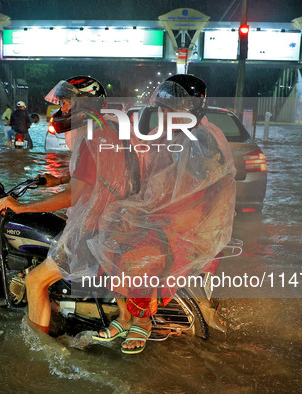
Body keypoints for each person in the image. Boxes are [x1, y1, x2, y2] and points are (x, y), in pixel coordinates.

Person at [91, 75, 237, 354]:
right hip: (163, 215)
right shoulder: (173, 136)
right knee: (110, 229)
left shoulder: (203, 139)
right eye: (162, 110)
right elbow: (156, 183)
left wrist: (162, 219)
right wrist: (134, 211)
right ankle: (124, 316)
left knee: (138, 255)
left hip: (189, 224)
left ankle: (143, 321)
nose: (163, 115)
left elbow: (207, 195)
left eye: (168, 111)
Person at [0, 76, 122, 335]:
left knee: (34, 281)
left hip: (91, 227)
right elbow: (100, 175)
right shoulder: (106, 129)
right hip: (111, 220)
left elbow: (72, 197)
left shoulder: (90, 138)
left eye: (67, 102)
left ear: (83, 104)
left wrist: (21, 208)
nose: (62, 109)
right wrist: (62, 179)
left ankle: (39, 348)